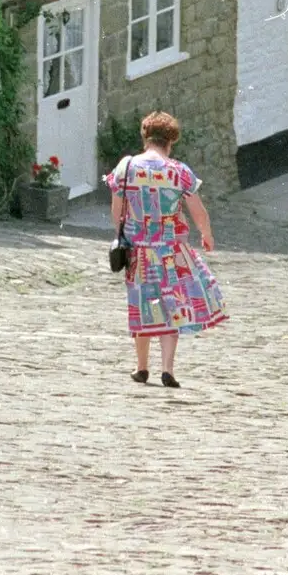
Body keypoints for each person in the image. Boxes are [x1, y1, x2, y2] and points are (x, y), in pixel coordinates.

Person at [105, 111, 227, 388]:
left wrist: (124, 234)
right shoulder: (178, 171)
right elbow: (198, 212)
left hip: (138, 251)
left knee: (142, 304)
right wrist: (206, 235)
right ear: (170, 141)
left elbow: (117, 211)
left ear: (145, 137)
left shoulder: (126, 168)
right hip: (171, 251)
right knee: (170, 305)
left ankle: (141, 367)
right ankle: (168, 369)